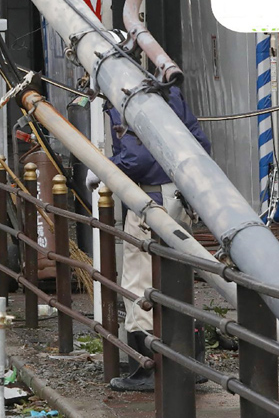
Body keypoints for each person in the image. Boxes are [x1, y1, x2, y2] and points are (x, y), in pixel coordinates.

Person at [102, 84, 211, 393]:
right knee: (176, 276)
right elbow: (200, 141)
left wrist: (106, 167)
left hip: (149, 200)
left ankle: (149, 367)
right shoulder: (172, 93)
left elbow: (136, 158)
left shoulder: (122, 98)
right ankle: (190, 359)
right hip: (181, 194)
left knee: (140, 279)